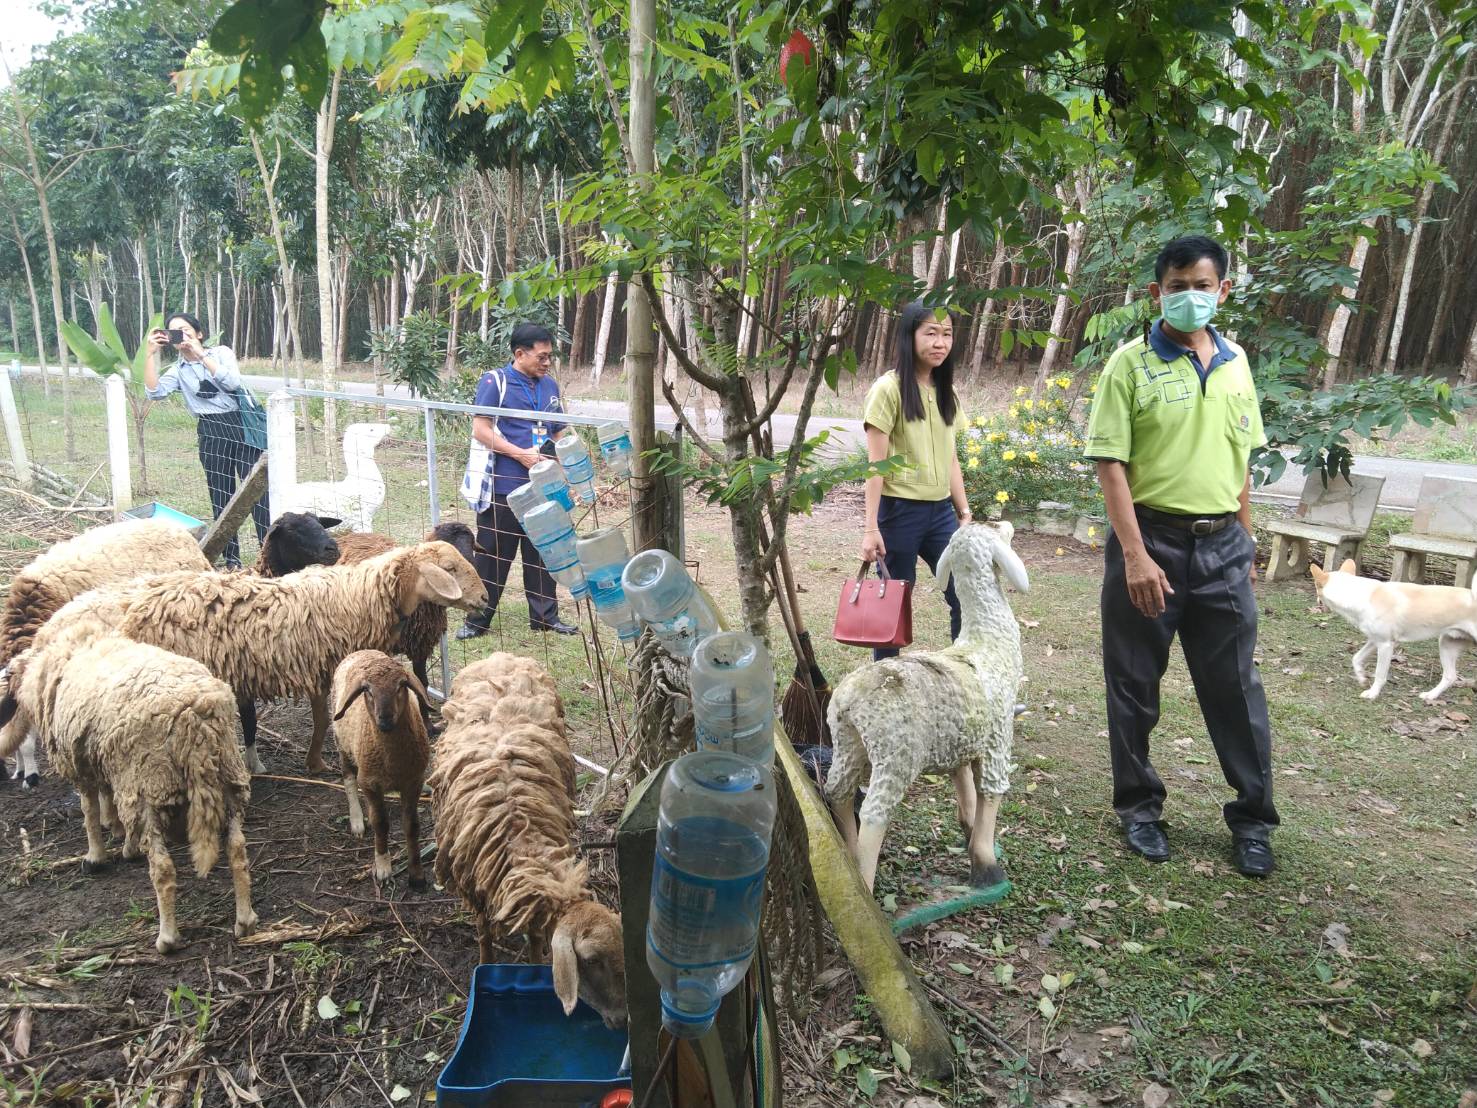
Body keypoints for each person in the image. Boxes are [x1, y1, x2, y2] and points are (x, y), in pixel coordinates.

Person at [1083, 234, 1279, 878]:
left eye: (1202, 285)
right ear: (1156, 292)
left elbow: (1241, 456)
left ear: (1224, 289)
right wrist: (1135, 556)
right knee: (1135, 682)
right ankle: (1139, 809)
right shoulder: (1129, 365)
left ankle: (1253, 818)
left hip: (1223, 544)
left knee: (1236, 688)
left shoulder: (1237, 362)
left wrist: (1245, 537)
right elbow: (1110, 464)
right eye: (1177, 286)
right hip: (1151, 540)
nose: (1190, 297)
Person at [859, 300, 970, 661]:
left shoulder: (946, 392)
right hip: (899, 513)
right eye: (931, 333)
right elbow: (876, 466)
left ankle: (966, 678)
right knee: (893, 604)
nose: (940, 343)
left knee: (963, 594)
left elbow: (950, 455)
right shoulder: (888, 390)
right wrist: (870, 528)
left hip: (940, 515)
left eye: (947, 334)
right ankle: (886, 685)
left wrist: (963, 510)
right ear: (910, 336)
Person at [456, 322, 578, 638]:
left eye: (550, 356)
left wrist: (567, 462)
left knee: (543, 553)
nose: (547, 362)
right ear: (519, 353)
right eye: (542, 356)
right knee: (493, 556)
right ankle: (476, 620)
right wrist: (520, 455)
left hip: (545, 487)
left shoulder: (549, 386)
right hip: (503, 486)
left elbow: (558, 430)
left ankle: (545, 618)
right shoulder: (495, 382)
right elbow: (480, 429)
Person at [144, 312, 268, 569]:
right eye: (174, 332)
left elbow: (232, 381)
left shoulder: (221, 353)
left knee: (256, 491)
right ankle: (231, 558)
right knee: (221, 494)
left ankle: (267, 552)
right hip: (211, 430)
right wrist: (150, 354)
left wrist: (200, 354)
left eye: (186, 329)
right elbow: (154, 392)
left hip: (241, 424)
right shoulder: (177, 371)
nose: (182, 335)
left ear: (199, 333)